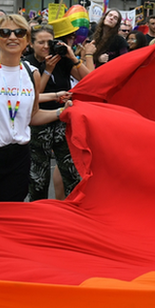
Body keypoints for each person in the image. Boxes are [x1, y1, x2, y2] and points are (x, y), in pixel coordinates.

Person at [0, 15, 66, 202]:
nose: (12, 37)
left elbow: (32, 115)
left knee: (7, 219)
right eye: (5, 32)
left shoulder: (32, 74)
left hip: (17, 159)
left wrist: (60, 113)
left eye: (20, 32)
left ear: (27, 41)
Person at [25, 18, 91, 201]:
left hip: (63, 120)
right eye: (41, 42)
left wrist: (72, 57)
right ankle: (39, 212)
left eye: (50, 42)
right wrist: (47, 70)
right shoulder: (27, 63)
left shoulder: (61, 60)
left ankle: (75, 209)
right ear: (31, 44)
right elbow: (33, 95)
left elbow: (89, 81)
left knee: (71, 170)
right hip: (39, 122)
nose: (46, 46)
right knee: (39, 175)